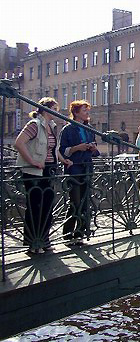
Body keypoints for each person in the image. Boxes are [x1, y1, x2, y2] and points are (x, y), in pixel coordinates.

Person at [15, 97, 73, 254]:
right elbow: (19, 143)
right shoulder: (34, 125)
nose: (57, 112)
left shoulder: (51, 126)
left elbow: (52, 149)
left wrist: (63, 160)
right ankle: (33, 242)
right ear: (45, 109)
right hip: (33, 171)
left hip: (48, 170)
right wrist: (32, 161)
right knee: (35, 206)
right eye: (54, 108)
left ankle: (44, 240)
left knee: (47, 206)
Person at [59, 100, 100, 245]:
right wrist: (77, 148)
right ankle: (68, 234)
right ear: (76, 113)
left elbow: (96, 152)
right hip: (74, 169)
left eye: (88, 111)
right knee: (75, 202)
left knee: (85, 201)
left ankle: (80, 233)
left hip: (87, 167)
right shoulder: (67, 129)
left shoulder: (89, 129)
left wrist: (93, 149)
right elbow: (62, 150)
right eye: (84, 111)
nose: (87, 114)